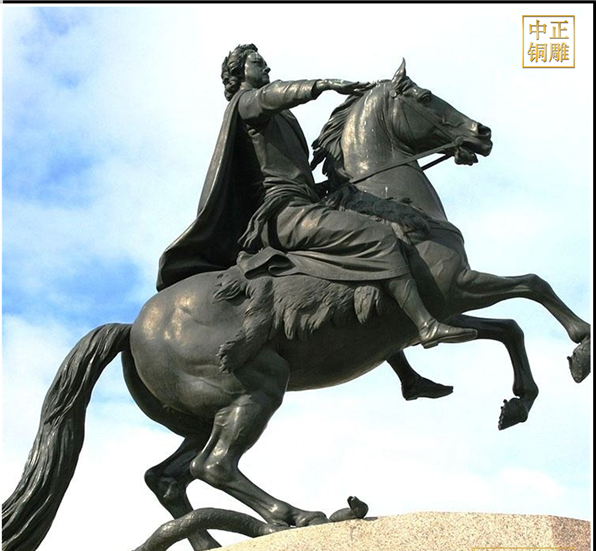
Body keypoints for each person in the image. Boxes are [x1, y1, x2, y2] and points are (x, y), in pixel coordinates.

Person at [157, 44, 477, 350]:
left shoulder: (279, 117)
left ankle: (405, 371)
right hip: (283, 214)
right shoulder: (246, 103)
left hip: (301, 204)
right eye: (257, 62)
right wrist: (323, 85)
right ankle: (425, 325)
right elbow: (272, 96)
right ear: (239, 71)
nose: (266, 66)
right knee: (378, 237)